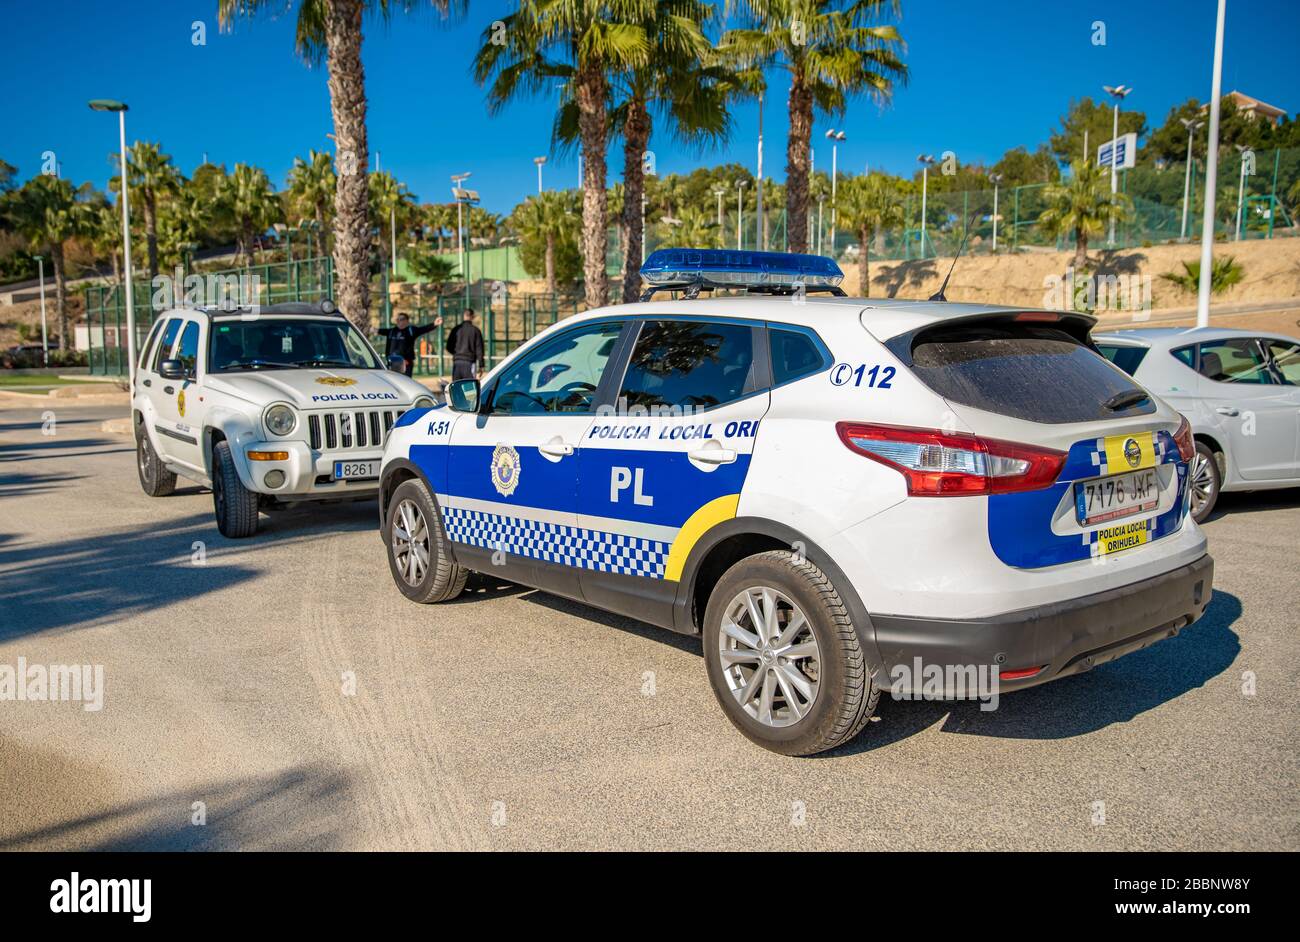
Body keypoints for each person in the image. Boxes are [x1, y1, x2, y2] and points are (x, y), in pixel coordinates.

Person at [376, 312, 438, 377]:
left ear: (406, 321)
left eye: (401, 319)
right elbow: (377, 330)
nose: (399, 321)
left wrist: (434, 324)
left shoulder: (411, 330)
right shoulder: (392, 331)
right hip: (392, 362)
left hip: (406, 363)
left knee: (405, 381)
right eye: (398, 319)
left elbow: (423, 329)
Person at [445, 308, 485, 382]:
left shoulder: (456, 329)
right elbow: (479, 349)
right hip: (469, 363)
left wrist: (457, 354)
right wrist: (481, 365)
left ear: (463, 316)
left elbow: (448, 347)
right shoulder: (475, 330)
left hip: (457, 363)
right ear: (472, 317)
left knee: (456, 387)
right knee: (469, 388)